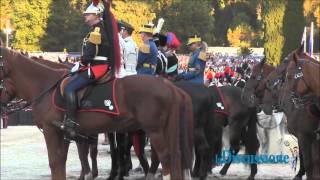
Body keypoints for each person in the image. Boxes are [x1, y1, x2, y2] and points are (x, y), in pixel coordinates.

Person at [62, 0, 120, 140]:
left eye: (88, 15)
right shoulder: (99, 28)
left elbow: (89, 55)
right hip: (97, 66)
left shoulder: (97, 31)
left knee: (69, 87)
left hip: (97, 68)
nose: (85, 17)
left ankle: (71, 122)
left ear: (96, 15)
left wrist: (80, 62)